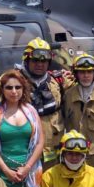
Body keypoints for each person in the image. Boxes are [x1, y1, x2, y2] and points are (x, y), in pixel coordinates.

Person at [21, 38, 64, 168]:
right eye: (35, 60)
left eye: (44, 61)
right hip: (25, 155)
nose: (40, 64)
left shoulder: (57, 81)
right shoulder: (15, 81)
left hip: (52, 157)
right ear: (27, 60)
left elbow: (83, 81)